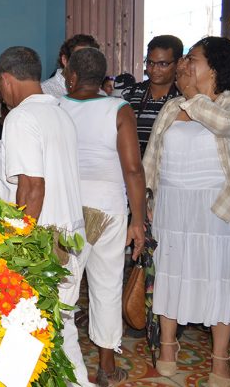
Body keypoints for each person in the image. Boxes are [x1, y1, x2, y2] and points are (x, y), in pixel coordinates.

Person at [0, 46, 92, 387]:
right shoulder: (60, 113)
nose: (1, 95)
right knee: (61, 326)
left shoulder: (21, 117)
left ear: (6, 80)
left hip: (41, 242)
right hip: (70, 236)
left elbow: (32, 187)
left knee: (22, 327)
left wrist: (19, 248)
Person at [143, 36, 230, 387]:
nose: (183, 65)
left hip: (214, 211)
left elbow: (222, 126)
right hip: (172, 207)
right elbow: (152, 157)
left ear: (214, 67)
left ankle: (220, 360)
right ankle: (167, 348)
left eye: (192, 59)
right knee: (170, 273)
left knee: (220, 281)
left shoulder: (226, 103)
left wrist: (192, 96)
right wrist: (146, 203)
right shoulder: (172, 106)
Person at [59, 48, 146, 386]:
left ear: (72, 76)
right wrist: (137, 221)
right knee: (107, 285)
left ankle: (63, 364)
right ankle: (106, 366)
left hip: (69, 211)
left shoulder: (58, 108)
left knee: (64, 288)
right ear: (105, 79)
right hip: (109, 211)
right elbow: (134, 170)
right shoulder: (118, 109)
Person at [122, 35, 183, 155]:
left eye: (163, 64)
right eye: (150, 62)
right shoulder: (129, 94)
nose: (154, 69)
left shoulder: (184, 98)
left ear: (179, 63)